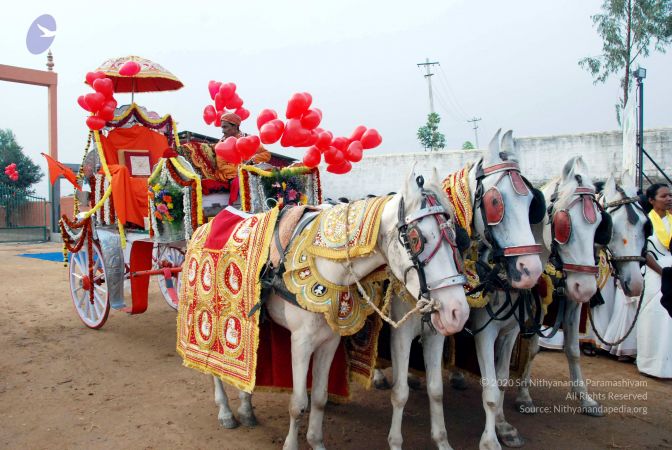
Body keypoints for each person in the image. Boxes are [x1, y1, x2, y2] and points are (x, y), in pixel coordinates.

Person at [636, 183, 672, 378]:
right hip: (655, 273)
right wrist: (663, 272)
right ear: (651, 200)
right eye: (664, 196)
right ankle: (651, 363)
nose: (669, 199)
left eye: (670, 195)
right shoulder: (645, 222)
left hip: (670, 273)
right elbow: (643, 251)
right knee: (655, 314)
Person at [217, 112, 271, 205]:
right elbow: (222, 166)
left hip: (254, 172)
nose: (222, 131)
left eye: (225, 127)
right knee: (243, 182)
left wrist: (253, 160)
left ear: (235, 127)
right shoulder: (221, 145)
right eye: (222, 127)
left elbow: (266, 154)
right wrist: (242, 170)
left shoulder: (249, 139)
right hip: (236, 176)